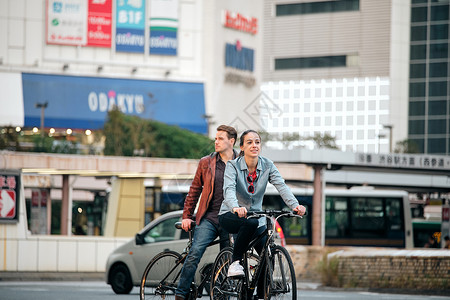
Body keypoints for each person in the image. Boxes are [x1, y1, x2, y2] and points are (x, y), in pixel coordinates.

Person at [218, 129, 306, 299]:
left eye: (257, 142)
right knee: (248, 223)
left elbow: (281, 186)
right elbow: (228, 190)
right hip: (230, 215)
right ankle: (235, 263)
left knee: (268, 252)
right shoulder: (233, 166)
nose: (254, 145)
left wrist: (295, 205)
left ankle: (258, 293)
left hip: (255, 218)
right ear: (242, 147)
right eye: (249, 142)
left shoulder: (268, 165)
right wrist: (236, 207)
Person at [174, 125, 238, 300]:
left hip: (230, 218)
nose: (216, 142)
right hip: (209, 218)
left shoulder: (242, 163)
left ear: (231, 141)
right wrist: (186, 216)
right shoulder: (206, 162)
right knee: (195, 253)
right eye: (215, 138)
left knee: (230, 259)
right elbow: (194, 190)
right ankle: (180, 294)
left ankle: (222, 294)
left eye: (220, 139)